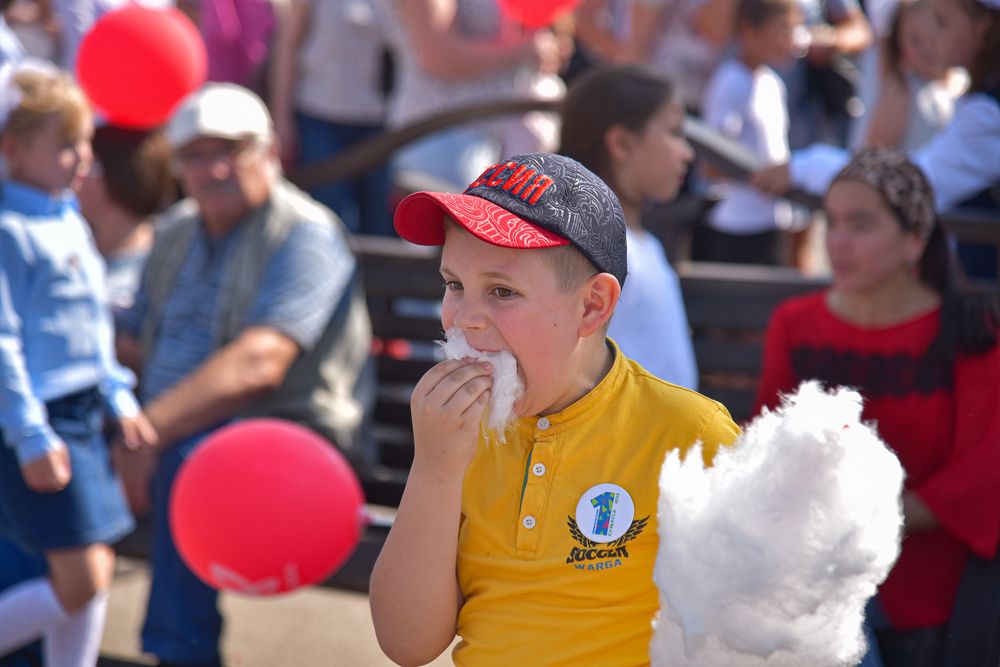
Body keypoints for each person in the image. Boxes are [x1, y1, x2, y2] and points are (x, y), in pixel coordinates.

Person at [369, 152, 741, 665]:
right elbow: (407, 643)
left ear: (591, 306)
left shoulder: (688, 434)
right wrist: (435, 465)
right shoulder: (456, 433)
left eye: (502, 291)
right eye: (454, 285)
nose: (465, 320)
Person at [112, 82, 375, 667]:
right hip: (176, 427)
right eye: (196, 155)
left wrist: (145, 432)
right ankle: (28, 643)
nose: (214, 168)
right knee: (36, 448)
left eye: (232, 149)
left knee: (193, 469)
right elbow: (130, 337)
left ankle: (181, 656)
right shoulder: (177, 227)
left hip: (292, 437)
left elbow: (262, 362)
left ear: (270, 151)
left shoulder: (304, 230)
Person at [753, 148, 1000, 666]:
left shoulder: (972, 332)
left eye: (861, 225)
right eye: (832, 223)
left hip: (930, 595)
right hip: (815, 588)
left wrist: (855, 521)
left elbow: (979, 478)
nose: (837, 243)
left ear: (915, 239)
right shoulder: (794, 324)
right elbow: (766, 448)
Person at [0, 62, 156, 666]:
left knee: (94, 566)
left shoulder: (66, 217)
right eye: (67, 145)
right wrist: (30, 432)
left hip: (84, 412)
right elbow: (5, 341)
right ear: (13, 149)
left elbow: (91, 328)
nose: (84, 158)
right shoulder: (11, 231)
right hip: (43, 417)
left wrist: (119, 396)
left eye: (86, 143)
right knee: (82, 576)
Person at [751, 0, 1000, 222]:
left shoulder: (986, 114)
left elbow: (914, 185)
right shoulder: (918, 90)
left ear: (983, 28)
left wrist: (806, 168)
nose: (931, 36)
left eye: (942, 22)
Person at [558, 64, 699, 388]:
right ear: (621, 143)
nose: (687, 154)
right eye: (675, 133)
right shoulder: (591, 249)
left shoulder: (644, 242)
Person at [695, 0, 806, 266]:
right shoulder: (730, 81)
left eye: (794, 30)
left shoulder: (772, 82)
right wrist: (762, 176)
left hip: (770, 223)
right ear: (749, 31)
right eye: (782, 30)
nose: (791, 41)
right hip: (736, 229)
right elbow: (711, 164)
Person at [267, 0, 392, 235]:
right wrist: (281, 120)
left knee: (379, 226)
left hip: (380, 126)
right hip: (320, 119)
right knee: (332, 222)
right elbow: (287, 46)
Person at [76, 124, 175, 337]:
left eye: (89, 165)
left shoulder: (170, 254)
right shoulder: (69, 246)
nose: (77, 174)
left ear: (121, 174)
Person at [856, 0, 966, 152]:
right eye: (916, 40)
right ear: (899, 44)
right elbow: (872, 154)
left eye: (935, 37)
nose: (928, 47)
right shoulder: (901, 92)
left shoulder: (962, 82)